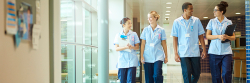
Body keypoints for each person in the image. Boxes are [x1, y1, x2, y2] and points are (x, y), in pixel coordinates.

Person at [171, 2, 207, 83]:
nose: (192, 10)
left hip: (195, 52)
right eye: (190, 9)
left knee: (197, 74)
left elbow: (201, 36)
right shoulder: (177, 22)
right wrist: (176, 53)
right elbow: (174, 38)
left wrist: (204, 50)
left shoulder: (196, 21)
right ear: (185, 10)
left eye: (192, 9)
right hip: (184, 53)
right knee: (186, 74)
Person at [206, 1, 235, 83]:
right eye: (214, 10)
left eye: (215, 10)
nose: (214, 12)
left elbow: (233, 37)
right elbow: (208, 36)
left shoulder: (229, 22)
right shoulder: (211, 21)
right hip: (214, 52)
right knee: (215, 75)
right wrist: (219, 36)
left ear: (221, 11)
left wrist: (227, 37)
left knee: (226, 73)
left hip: (226, 52)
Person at [140, 11, 168, 83]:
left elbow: (164, 44)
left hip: (158, 55)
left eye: (150, 17)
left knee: (157, 74)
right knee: (149, 78)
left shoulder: (161, 30)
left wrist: (166, 56)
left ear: (155, 18)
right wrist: (141, 56)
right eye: (148, 18)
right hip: (147, 56)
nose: (149, 19)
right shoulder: (145, 30)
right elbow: (143, 44)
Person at [114, 17, 140, 83]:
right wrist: (125, 47)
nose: (130, 25)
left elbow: (137, 47)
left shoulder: (134, 34)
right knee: (122, 80)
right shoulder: (118, 35)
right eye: (129, 23)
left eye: (131, 23)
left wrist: (132, 47)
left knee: (131, 81)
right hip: (122, 62)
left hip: (132, 61)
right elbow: (116, 48)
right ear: (123, 25)